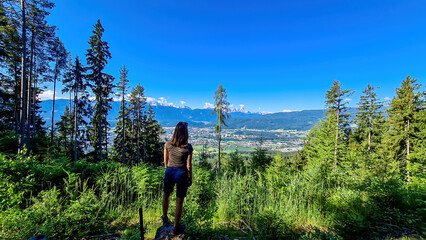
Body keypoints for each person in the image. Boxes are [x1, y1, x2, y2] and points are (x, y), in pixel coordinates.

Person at [161, 121, 193, 235]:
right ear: (185, 133)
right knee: (179, 201)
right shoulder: (188, 147)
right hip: (181, 173)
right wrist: (191, 178)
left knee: (166, 194)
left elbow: (165, 162)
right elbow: (189, 165)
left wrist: (169, 169)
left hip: (169, 171)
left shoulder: (168, 144)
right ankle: (175, 227)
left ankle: (165, 218)